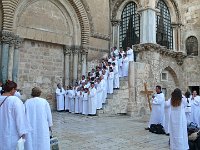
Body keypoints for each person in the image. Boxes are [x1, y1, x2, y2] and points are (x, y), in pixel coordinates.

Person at [0, 80, 30, 150]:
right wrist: (22, 133)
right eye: (15, 89)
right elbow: (20, 118)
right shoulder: (14, 100)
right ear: (12, 89)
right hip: (10, 134)